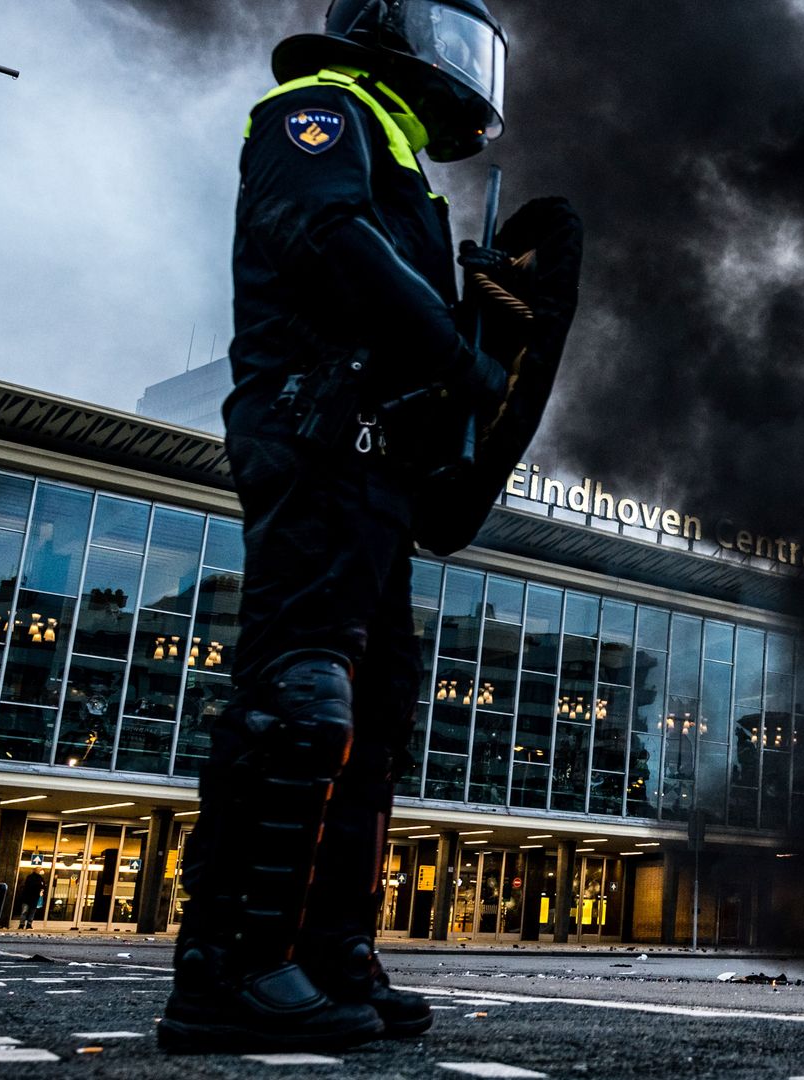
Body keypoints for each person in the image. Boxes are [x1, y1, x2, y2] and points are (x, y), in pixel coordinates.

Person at [162, 0, 578, 1054]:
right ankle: (232, 970)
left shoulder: (397, 156)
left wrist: (487, 319)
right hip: (317, 436)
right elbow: (325, 238)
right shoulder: (318, 109)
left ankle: (329, 951)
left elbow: (381, 283)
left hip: (377, 466)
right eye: (445, 31)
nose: (462, 66)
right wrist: (455, 349)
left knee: (372, 717)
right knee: (297, 698)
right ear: (386, 25)